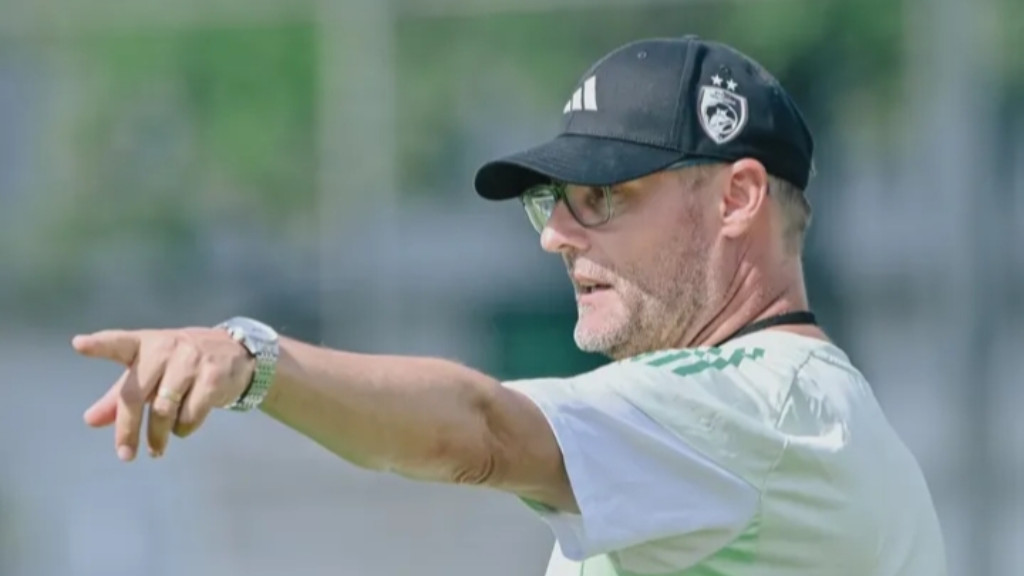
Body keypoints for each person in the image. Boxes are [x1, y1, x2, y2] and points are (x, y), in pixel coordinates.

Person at [72, 36, 947, 575]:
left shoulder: (758, 408)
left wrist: (251, 361)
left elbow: (480, 433)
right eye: (552, 203)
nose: (556, 236)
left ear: (738, 198)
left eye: (602, 197)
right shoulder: (797, 414)